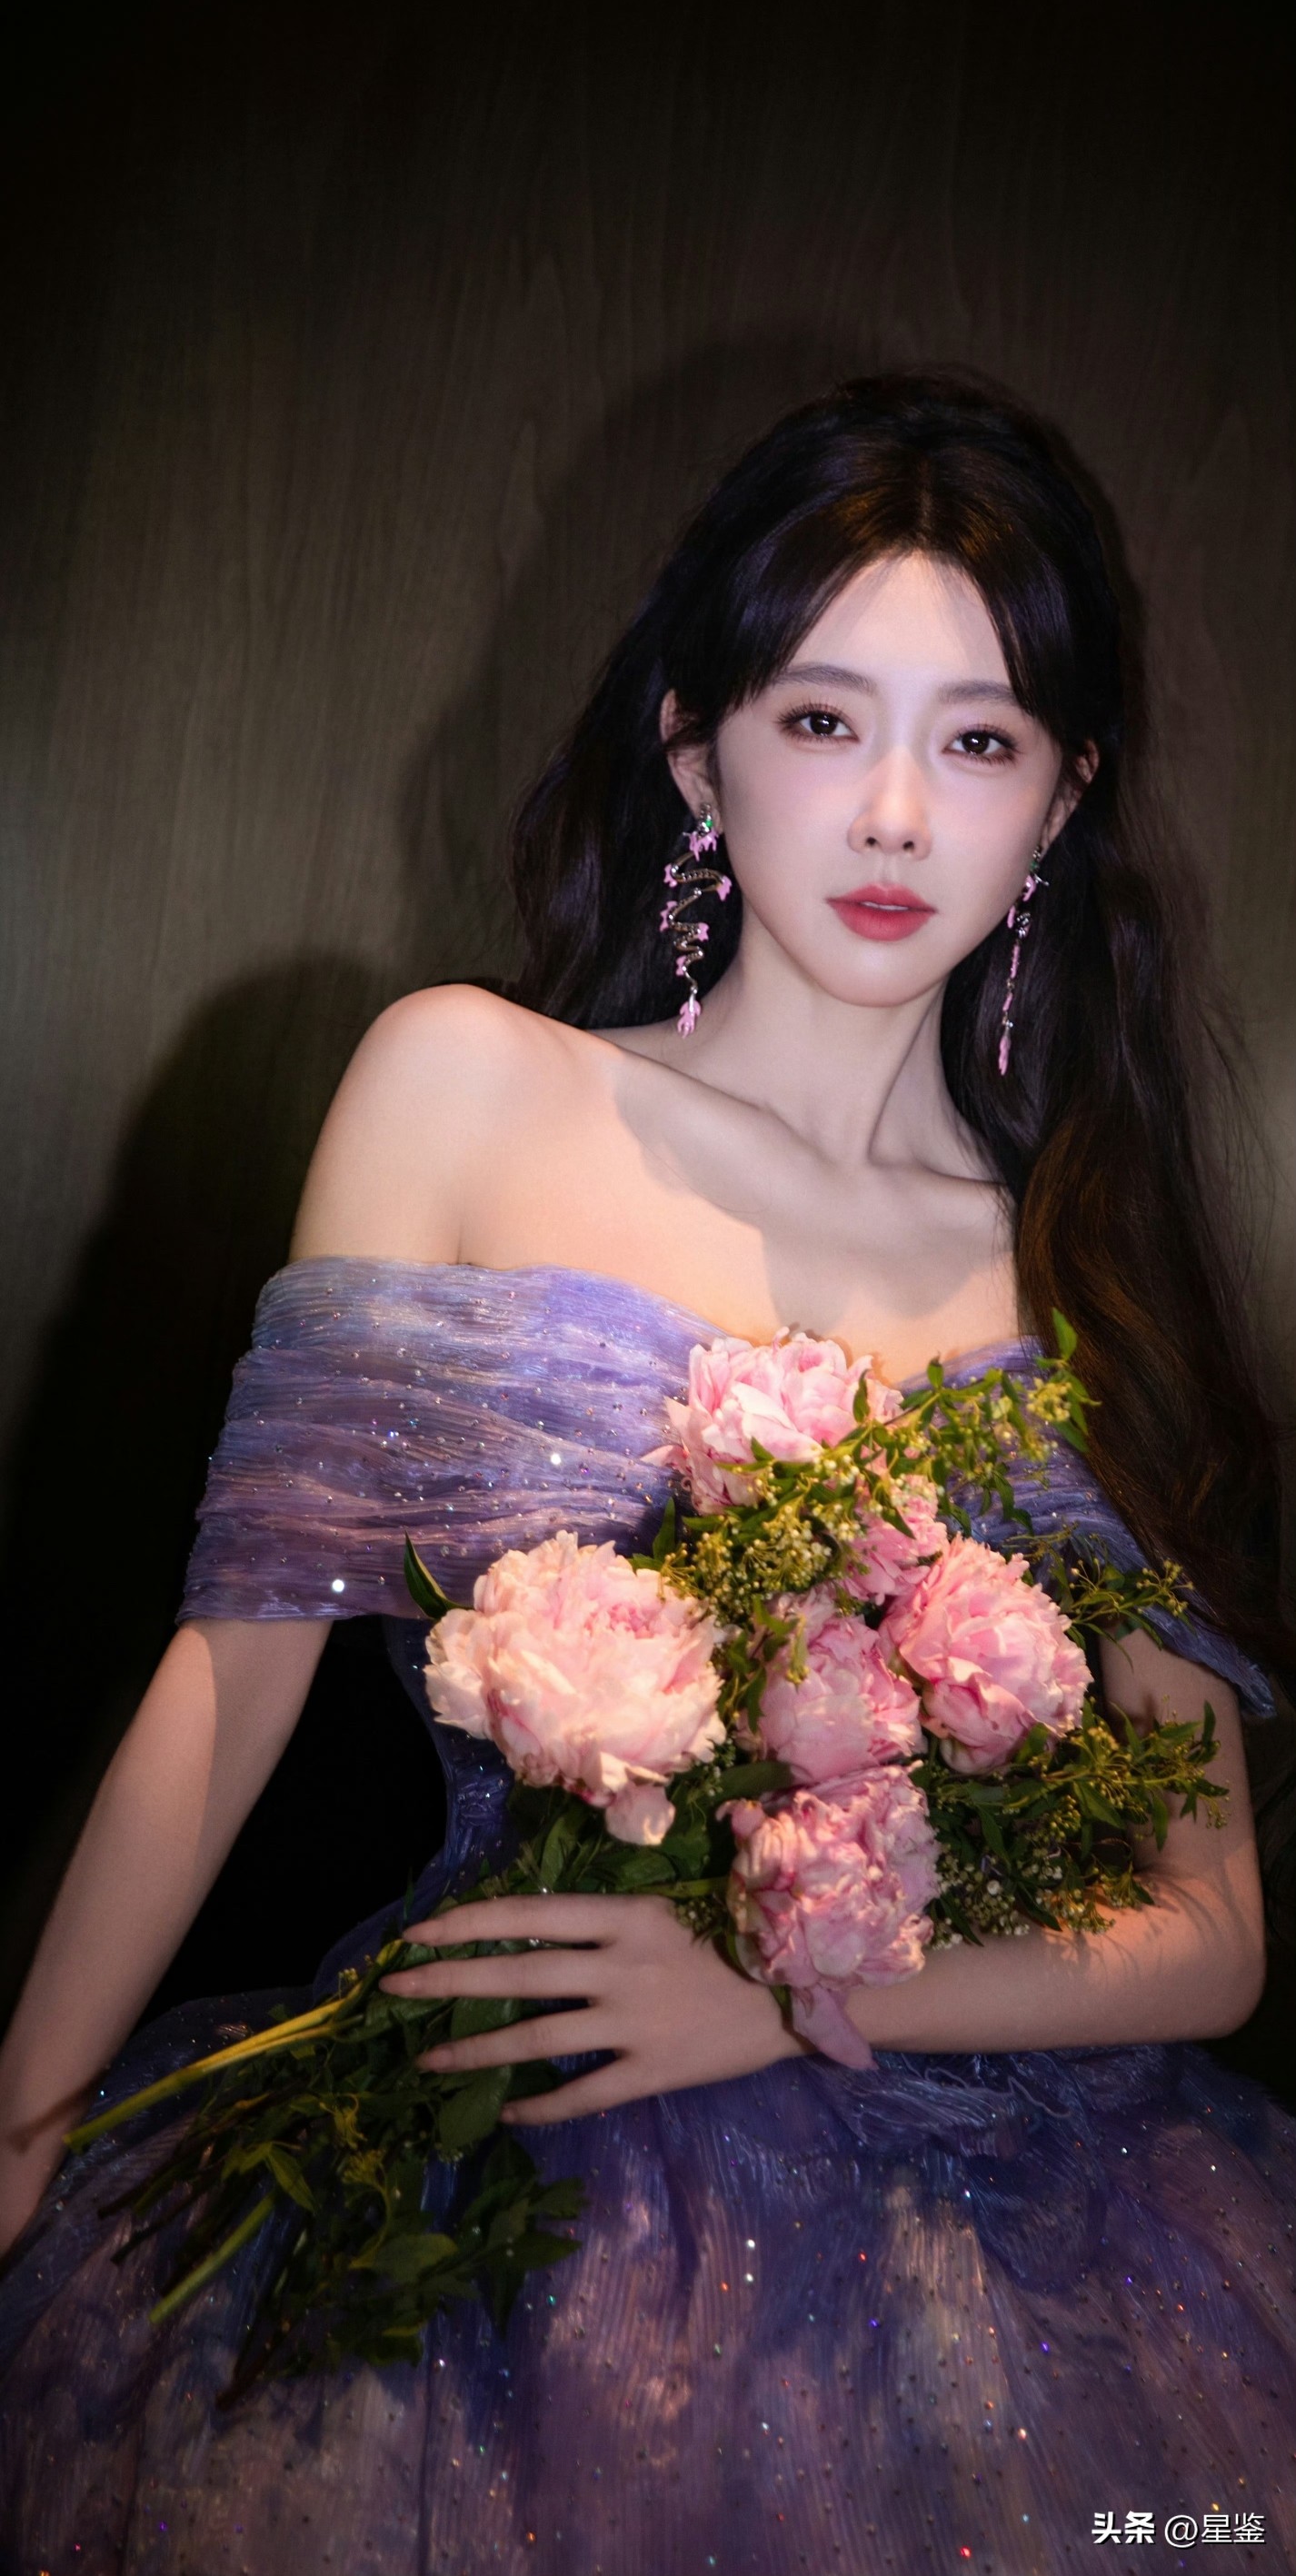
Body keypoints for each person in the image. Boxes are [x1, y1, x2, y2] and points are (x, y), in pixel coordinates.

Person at [0, 373, 1292, 2573]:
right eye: (822, 719)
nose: (894, 810)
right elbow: (231, 1674)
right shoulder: (462, 1087)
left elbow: (1208, 1930)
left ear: (1060, 800)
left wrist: (792, 1987)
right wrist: (22, 2112)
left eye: (979, 740)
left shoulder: (1084, 1269)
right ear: (696, 750)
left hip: (996, 2231)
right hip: (497, 2150)